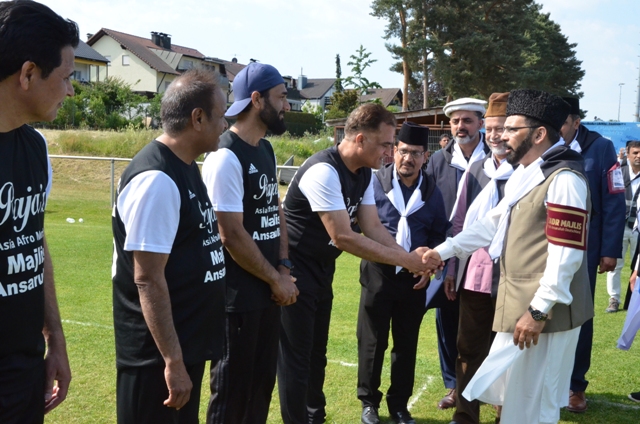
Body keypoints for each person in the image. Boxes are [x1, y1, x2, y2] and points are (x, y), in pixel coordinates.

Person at [424, 89, 593, 424]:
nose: (501, 136)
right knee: (516, 403)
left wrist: (538, 310)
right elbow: (491, 223)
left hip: (544, 316)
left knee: (535, 406)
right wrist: (441, 252)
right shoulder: (529, 172)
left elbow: (566, 257)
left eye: (512, 129)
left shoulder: (564, 180)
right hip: (522, 307)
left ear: (539, 134)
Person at [278, 103, 431, 424]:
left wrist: (408, 260)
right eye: (385, 144)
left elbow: (373, 227)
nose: (389, 153)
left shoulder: (363, 174)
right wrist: (407, 259)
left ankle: (314, 416)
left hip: (322, 270)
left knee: (316, 353)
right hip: (293, 271)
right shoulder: (324, 170)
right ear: (360, 139)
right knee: (297, 358)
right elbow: (344, 237)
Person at [111, 68, 228, 424]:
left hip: (180, 347)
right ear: (198, 118)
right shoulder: (157, 179)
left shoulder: (185, 166)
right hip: (156, 361)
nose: (225, 125)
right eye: (221, 116)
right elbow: (147, 278)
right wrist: (173, 361)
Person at [203, 62, 298, 424]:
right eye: (281, 97)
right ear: (257, 100)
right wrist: (276, 279)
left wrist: (284, 268)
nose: (286, 105)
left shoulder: (266, 149)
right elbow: (230, 234)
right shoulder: (225, 156)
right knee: (232, 394)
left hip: (270, 293)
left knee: (260, 389)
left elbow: (276, 212)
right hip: (237, 299)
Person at [0, 1, 77, 422]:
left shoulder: (35, 148)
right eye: (66, 78)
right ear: (28, 73)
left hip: (25, 371)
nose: (71, 91)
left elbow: (33, 241)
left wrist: (55, 338)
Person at [358, 122, 449, 424]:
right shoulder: (374, 183)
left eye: (416, 153)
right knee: (372, 342)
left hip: (414, 279)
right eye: (404, 151)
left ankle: (399, 405)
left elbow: (439, 233)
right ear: (394, 151)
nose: (408, 158)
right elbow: (360, 226)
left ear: (425, 157)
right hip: (378, 273)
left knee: (406, 344)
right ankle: (369, 403)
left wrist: (429, 265)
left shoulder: (432, 191)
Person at [446, 93, 513, 424]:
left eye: (504, 128)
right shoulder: (477, 169)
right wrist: (451, 267)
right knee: (468, 348)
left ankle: (506, 414)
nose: (496, 136)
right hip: (475, 275)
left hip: (512, 278)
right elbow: (460, 223)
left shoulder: (530, 171)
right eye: (492, 128)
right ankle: (466, 414)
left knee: (507, 351)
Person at [560, 97, 625, 413]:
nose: (555, 126)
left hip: (586, 248)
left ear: (576, 121)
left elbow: (614, 199)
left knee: (579, 316)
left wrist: (609, 250)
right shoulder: (543, 144)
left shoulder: (601, 148)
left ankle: (576, 386)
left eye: (561, 121)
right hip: (545, 245)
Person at [426, 97, 490, 410]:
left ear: (481, 123)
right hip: (447, 253)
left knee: (484, 322)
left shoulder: (496, 158)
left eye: (467, 120)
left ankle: (487, 386)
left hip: (485, 255)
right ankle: (453, 385)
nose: (460, 127)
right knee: (447, 320)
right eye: (455, 121)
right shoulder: (438, 161)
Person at [606, 140, 640, 313]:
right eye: (635, 153)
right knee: (615, 264)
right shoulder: (619, 172)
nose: (638, 156)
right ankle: (614, 299)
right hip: (619, 227)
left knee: (638, 267)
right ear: (627, 154)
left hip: (638, 229)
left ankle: (636, 300)